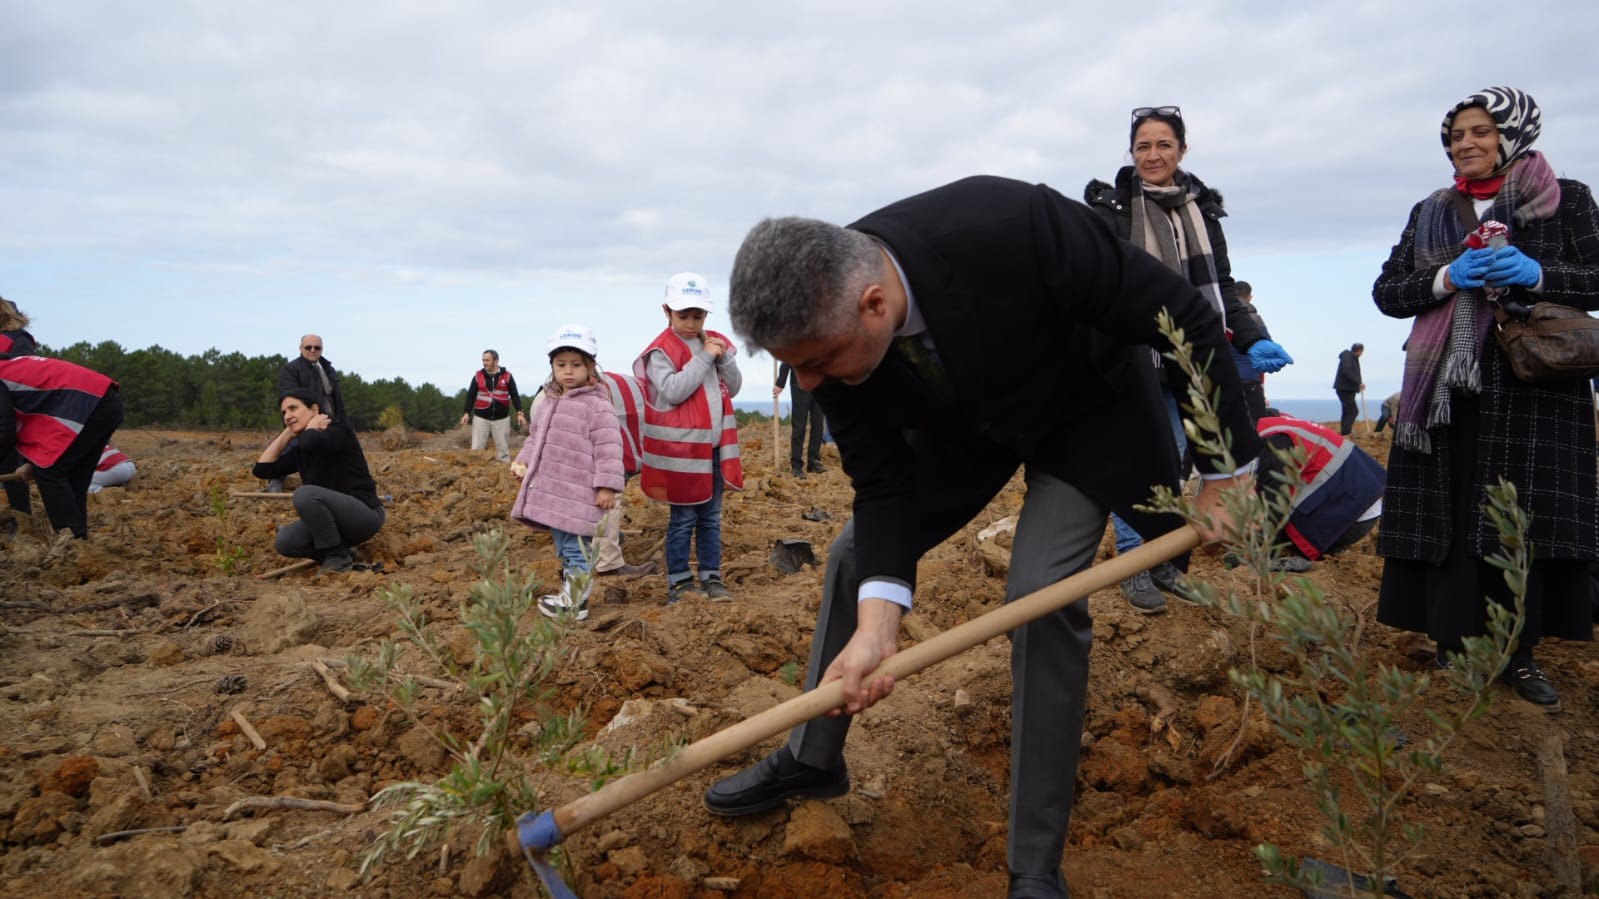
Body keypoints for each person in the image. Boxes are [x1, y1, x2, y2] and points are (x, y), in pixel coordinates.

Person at [709, 175, 1261, 899]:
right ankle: (814, 756)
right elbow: (882, 486)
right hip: (961, 426)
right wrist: (878, 626)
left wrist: (1224, 468)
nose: (807, 384)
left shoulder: (1012, 225)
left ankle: (1034, 860)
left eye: (816, 361)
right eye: (792, 366)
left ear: (872, 303)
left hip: (1083, 412)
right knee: (852, 555)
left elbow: (1180, 316)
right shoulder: (828, 336)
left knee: (1039, 595)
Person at [1373, 86, 1599, 712]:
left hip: (1536, 393)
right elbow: (1389, 292)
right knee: (1451, 513)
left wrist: (1537, 274)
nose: (1465, 144)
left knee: (1522, 521)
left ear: (1513, 132)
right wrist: (1448, 277)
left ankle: (1520, 655)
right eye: (1455, 135)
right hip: (1448, 392)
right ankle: (1453, 644)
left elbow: (1597, 278)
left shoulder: (1567, 199)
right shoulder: (1430, 210)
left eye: (1479, 131)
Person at [1083, 105, 1292, 614]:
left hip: (1192, 355)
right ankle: (1134, 565)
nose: (1153, 155)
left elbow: (1220, 285)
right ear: (1131, 153)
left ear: (1182, 149)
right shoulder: (1111, 210)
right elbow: (1098, 285)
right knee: (1138, 461)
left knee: (1173, 461)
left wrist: (1251, 337)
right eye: (1143, 147)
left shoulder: (1202, 212)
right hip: (1135, 353)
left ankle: (1162, 562)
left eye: (1164, 145)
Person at [635, 272, 743, 604]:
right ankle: (679, 582)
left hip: (713, 450)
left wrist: (722, 358)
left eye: (698, 315)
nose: (691, 323)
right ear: (667, 311)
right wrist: (706, 356)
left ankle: (712, 576)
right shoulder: (661, 351)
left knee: (710, 518)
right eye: (683, 315)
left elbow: (733, 388)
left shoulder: (711, 343)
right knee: (683, 519)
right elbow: (674, 390)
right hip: (681, 453)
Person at [511, 324, 626, 621]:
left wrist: (607, 487)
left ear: (591, 368)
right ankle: (570, 593)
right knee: (565, 546)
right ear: (552, 367)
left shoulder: (597, 406)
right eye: (561, 365)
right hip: (555, 492)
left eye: (577, 365)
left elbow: (610, 448)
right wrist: (523, 461)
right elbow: (535, 437)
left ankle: (576, 603)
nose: (569, 371)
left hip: (580, 493)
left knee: (578, 549)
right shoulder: (550, 401)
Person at [252, 389, 384, 572]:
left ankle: (337, 560)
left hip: (364, 515)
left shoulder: (339, 432)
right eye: (284, 413)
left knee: (305, 494)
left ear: (314, 410)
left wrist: (311, 427)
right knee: (285, 542)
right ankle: (341, 553)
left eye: (293, 408)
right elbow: (262, 470)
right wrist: (286, 434)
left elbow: (311, 443)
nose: (288, 415)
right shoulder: (303, 449)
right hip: (334, 525)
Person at [0, 355, 125, 539]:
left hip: (90, 406)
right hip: (104, 403)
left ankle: (69, 544)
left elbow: (4, 430)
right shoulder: (11, 367)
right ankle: (78, 545)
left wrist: (36, 463)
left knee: (50, 471)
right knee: (74, 478)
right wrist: (31, 461)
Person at [269, 334, 345, 493]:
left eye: (317, 347)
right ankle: (275, 479)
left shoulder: (328, 369)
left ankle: (328, 483)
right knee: (291, 447)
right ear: (300, 349)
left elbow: (335, 397)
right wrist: (306, 421)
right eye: (308, 347)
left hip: (330, 420)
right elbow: (289, 399)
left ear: (321, 349)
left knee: (329, 452)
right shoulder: (291, 369)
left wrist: (340, 421)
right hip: (306, 421)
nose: (312, 350)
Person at [0, 297, 39, 518]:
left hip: (9, 410)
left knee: (9, 461)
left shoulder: (19, 339)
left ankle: (21, 518)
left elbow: (25, 373)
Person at [459, 349, 526, 462]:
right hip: (481, 418)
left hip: (502, 419)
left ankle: (504, 471)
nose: (484, 363)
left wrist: (519, 412)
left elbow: (514, 395)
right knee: (476, 450)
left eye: (487, 360)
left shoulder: (507, 376)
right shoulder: (478, 376)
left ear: (496, 361)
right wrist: (466, 413)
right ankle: (474, 471)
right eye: (483, 360)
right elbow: (471, 395)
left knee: (503, 451)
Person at [1229, 282, 1276, 425]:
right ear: (1250, 298)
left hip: (1225, 379)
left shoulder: (1220, 315)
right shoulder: (1255, 319)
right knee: (1256, 426)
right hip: (1250, 380)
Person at [773, 363, 827, 477]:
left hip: (820, 386)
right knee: (799, 426)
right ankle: (796, 465)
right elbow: (787, 360)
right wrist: (780, 383)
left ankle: (813, 462)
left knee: (818, 425)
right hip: (800, 386)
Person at [1334, 343, 1365, 435]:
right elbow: (1347, 371)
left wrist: (1357, 385)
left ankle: (1344, 432)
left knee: (1347, 411)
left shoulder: (1352, 358)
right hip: (1344, 389)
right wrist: (1358, 382)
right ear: (1359, 351)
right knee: (1353, 411)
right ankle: (1346, 432)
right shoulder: (1347, 356)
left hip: (1347, 389)